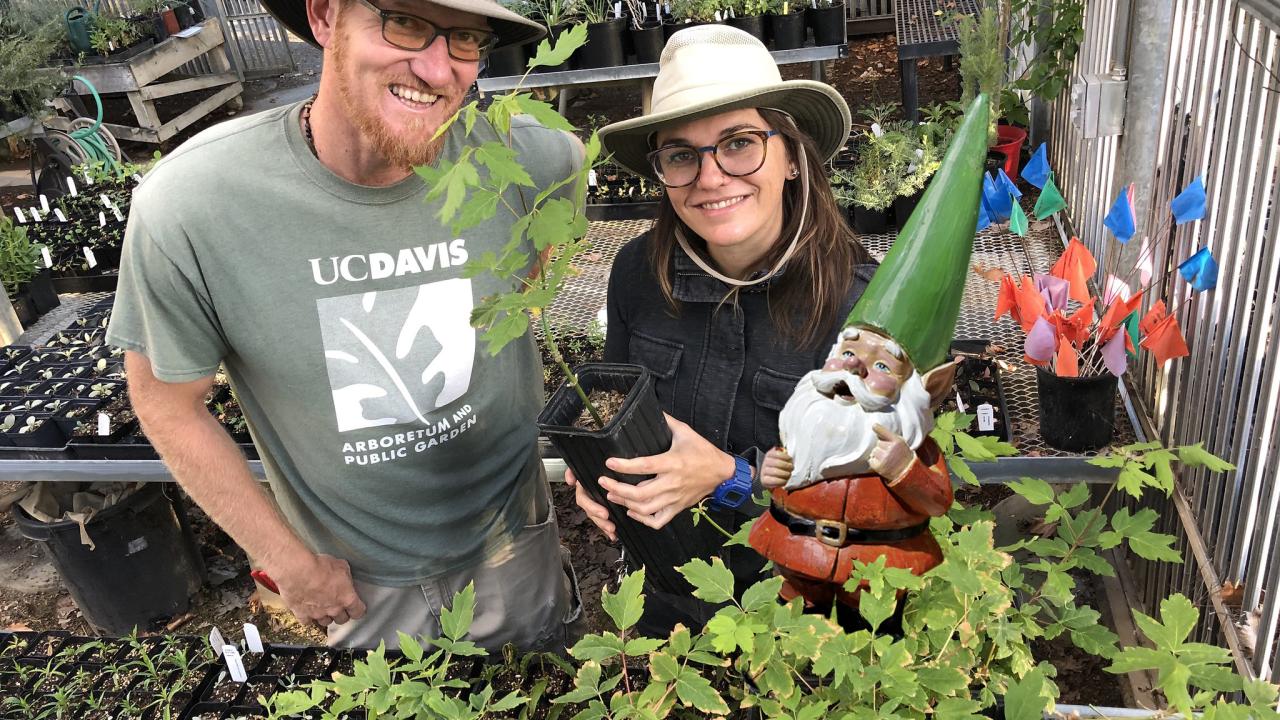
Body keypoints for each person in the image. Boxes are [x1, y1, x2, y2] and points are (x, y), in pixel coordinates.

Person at [105, 0, 582, 650]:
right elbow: (164, 402)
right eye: (405, 22)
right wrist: (289, 563)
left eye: (466, 37)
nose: (438, 68)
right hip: (357, 586)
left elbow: (535, 286)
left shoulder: (538, 162)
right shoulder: (193, 206)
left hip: (513, 548)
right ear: (326, 17)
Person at [565, 25, 875, 637]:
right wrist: (599, 472)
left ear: (791, 155)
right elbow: (615, 409)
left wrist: (732, 478)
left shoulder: (861, 308)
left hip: (808, 614)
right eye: (681, 153)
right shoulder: (636, 274)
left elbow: (871, 494)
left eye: (738, 143)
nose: (710, 177)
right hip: (667, 595)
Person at [750, 94, 989, 631]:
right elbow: (797, 455)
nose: (855, 370)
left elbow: (936, 499)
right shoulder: (815, 417)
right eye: (850, 352)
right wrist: (773, 470)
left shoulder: (900, 438)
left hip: (876, 567)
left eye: (881, 366)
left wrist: (901, 467)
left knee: (872, 637)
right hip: (799, 554)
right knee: (794, 631)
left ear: (923, 387)